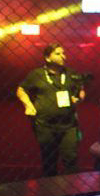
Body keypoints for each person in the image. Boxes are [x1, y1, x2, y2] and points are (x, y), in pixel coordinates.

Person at [16, 44, 87, 177]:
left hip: (69, 125)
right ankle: (50, 187)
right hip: (45, 125)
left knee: (71, 159)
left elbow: (81, 90)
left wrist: (79, 98)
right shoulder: (36, 74)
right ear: (47, 58)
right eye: (58, 54)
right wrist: (28, 105)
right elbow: (21, 90)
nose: (63, 56)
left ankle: (71, 187)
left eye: (63, 53)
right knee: (49, 160)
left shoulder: (71, 73)